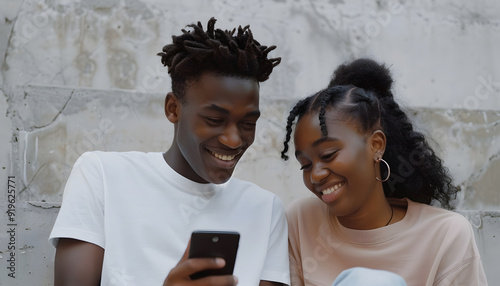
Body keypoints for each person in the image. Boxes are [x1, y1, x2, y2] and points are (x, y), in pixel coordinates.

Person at [49, 18, 289, 286]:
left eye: (248, 124)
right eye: (214, 120)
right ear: (173, 109)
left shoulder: (265, 209)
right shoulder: (102, 176)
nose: (234, 140)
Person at [280, 58, 488, 286]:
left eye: (328, 155)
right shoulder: (301, 220)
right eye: (306, 165)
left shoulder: (446, 235)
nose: (316, 175)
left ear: (376, 145)